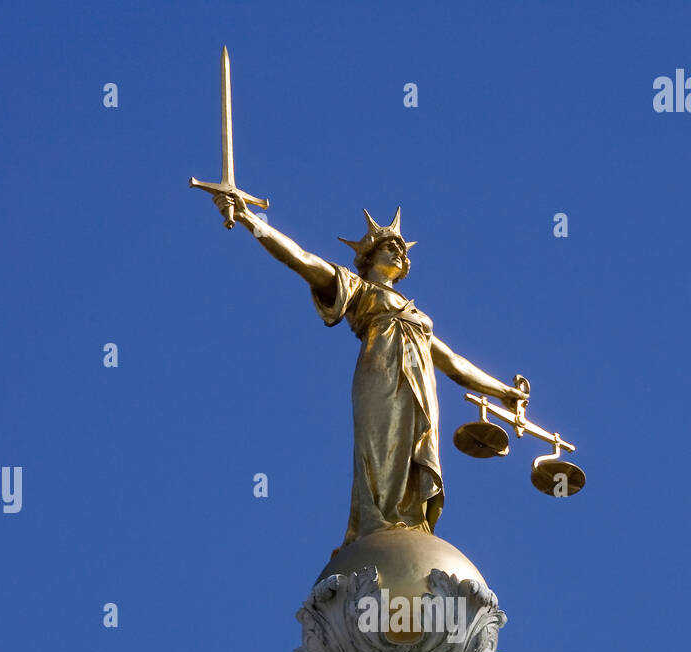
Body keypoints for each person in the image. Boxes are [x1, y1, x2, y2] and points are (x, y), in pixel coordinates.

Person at [215, 196, 525, 544]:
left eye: (401, 250)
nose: (398, 253)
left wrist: (504, 392)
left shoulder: (417, 318)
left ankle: (409, 522)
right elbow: (301, 259)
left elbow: (454, 363)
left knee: (414, 450)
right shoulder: (359, 290)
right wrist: (250, 220)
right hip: (381, 377)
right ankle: (378, 523)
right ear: (369, 256)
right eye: (389, 247)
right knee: (381, 449)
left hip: (420, 389)